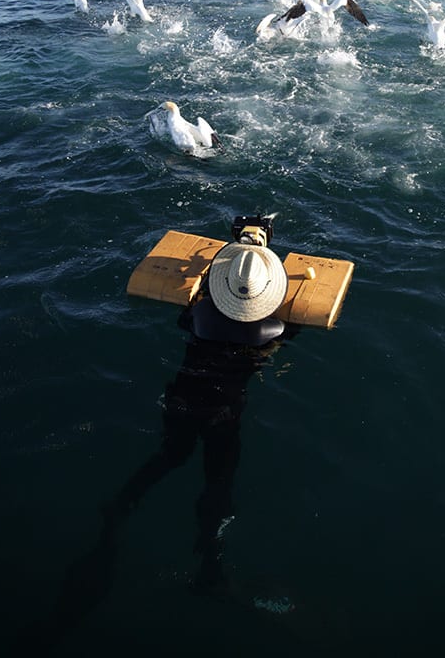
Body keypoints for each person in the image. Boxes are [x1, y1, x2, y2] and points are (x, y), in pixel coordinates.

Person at [19, 239, 295, 650]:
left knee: (169, 456)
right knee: (217, 482)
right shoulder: (270, 330)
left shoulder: (200, 314)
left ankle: (122, 503)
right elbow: (277, 343)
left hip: (180, 400)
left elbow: (191, 314)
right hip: (222, 415)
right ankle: (210, 565)